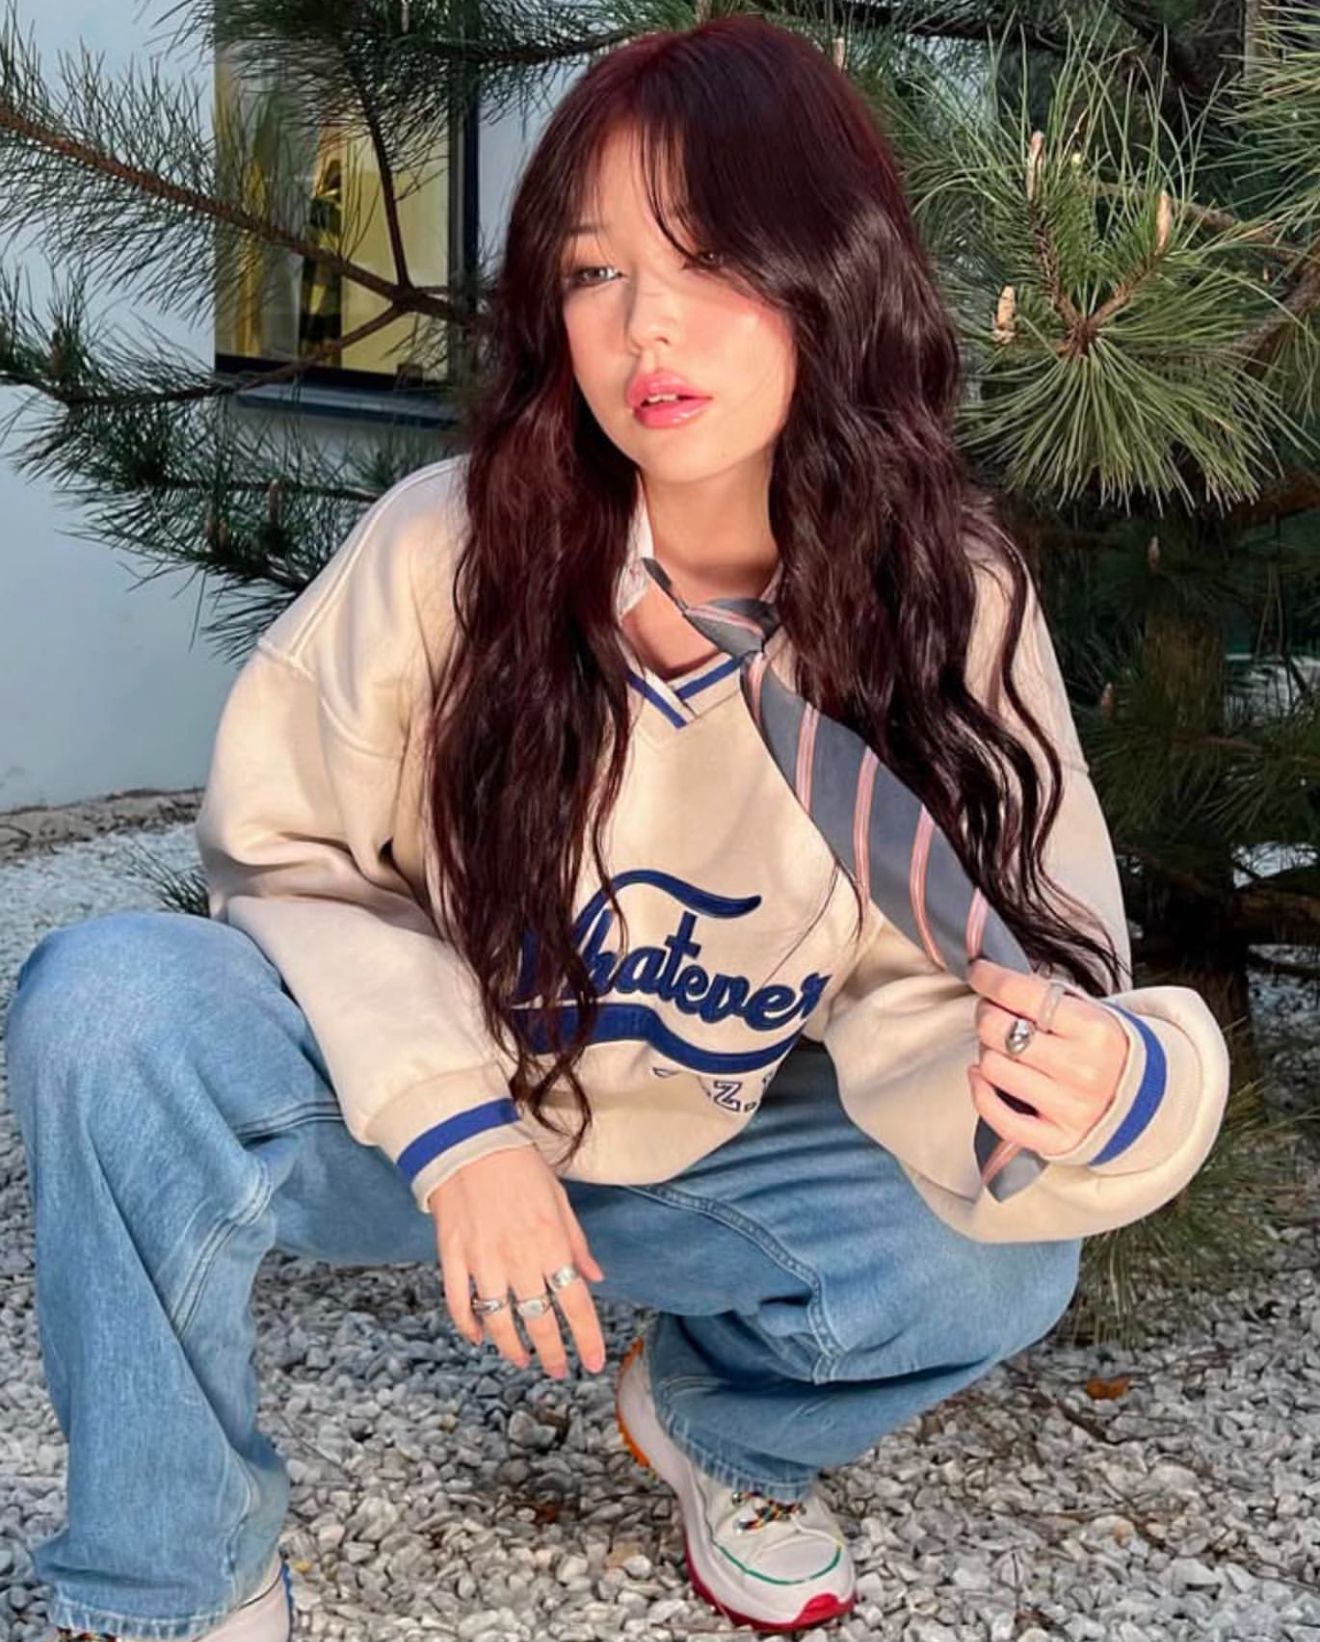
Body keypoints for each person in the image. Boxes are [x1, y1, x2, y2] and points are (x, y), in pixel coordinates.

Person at [4, 14, 1231, 1640]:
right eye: (594, 270)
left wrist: (1085, 1078)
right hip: (408, 1130)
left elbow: (977, 971)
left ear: (833, 269)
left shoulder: (949, 600)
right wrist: (459, 1128)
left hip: (698, 1154)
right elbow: (287, 857)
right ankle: (176, 1571)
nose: (647, 323)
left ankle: (718, 1431)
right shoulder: (450, 547)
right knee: (105, 1003)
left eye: (709, 256)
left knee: (1002, 1252)